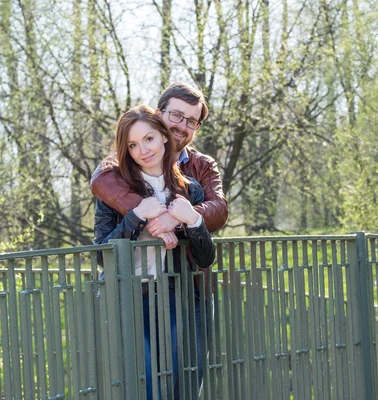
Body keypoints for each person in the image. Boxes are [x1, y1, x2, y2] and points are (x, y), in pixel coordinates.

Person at [93, 105, 215, 400]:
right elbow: (101, 253)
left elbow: (205, 258)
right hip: (128, 297)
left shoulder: (190, 189)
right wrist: (136, 215)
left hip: (172, 295)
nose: (143, 150)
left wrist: (193, 219)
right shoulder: (116, 190)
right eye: (133, 145)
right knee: (144, 384)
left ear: (163, 136)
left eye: (148, 139)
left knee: (176, 383)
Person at [91, 82, 228, 236]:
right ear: (158, 115)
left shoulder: (203, 165)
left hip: (184, 259)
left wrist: (176, 219)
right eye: (176, 115)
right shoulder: (130, 158)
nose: (182, 126)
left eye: (191, 121)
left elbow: (219, 209)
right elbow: (100, 180)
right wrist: (151, 218)